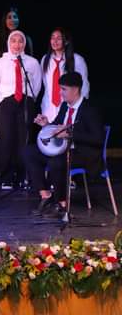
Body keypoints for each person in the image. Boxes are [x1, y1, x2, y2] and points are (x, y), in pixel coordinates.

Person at [23, 71, 103, 217]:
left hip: (82, 153)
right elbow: (57, 127)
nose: (60, 93)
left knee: (56, 162)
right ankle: (46, 195)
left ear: (75, 89)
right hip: (63, 151)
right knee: (29, 152)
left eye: (64, 89)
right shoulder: (65, 106)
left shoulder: (89, 110)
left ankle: (62, 204)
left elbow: (97, 138)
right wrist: (47, 124)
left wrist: (71, 134)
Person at [0, 30, 42, 189]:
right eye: (14, 41)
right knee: (6, 139)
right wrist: (0, 103)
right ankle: (6, 176)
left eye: (20, 41)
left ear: (24, 44)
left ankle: (22, 176)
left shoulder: (32, 62)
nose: (17, 44)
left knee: (24, 140)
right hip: (6, 103)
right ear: (8, 43)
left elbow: (37, 84)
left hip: (25, 103)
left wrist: (30, 99)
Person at [39, 28, 89, 122]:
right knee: (49, 130)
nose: (55, 41)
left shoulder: (77, 60)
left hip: (69, 108)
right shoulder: (45, 59)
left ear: (66, 41)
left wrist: (79, 107)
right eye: (53, 38)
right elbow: (45, 84)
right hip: (49, 108)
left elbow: (84, 86)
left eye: (59, 38)